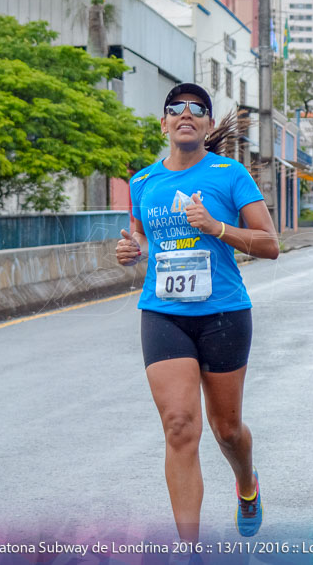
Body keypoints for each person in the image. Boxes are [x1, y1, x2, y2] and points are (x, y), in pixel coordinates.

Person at [115, 82, 279, 544]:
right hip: (163, 312)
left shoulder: (230, 175)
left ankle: (247, 486)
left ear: (207, 125)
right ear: (164, 123)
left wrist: (216, 227)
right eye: (175, 108)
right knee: (179, 426)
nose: (186, 114)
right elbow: (145, 241)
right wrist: (132, 249)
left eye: (197, 109)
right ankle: (189, 549)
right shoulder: (143, 182)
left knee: (226, 430)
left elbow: (270, 245)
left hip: (223, 313)